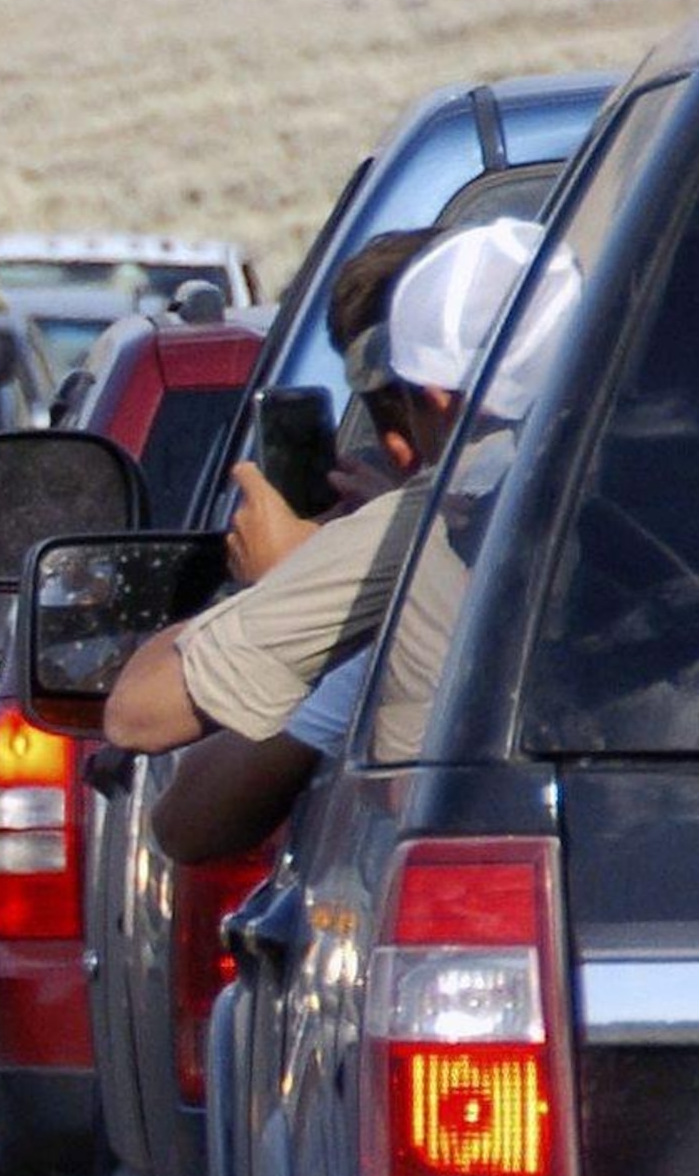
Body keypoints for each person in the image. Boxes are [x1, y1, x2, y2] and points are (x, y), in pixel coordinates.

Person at [104, 220, 551, 767]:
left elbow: (140, 715)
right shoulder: (638, 473)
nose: (394, 445)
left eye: (398, 405)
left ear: (436, 397)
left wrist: (293, 572)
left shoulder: (420, 524)